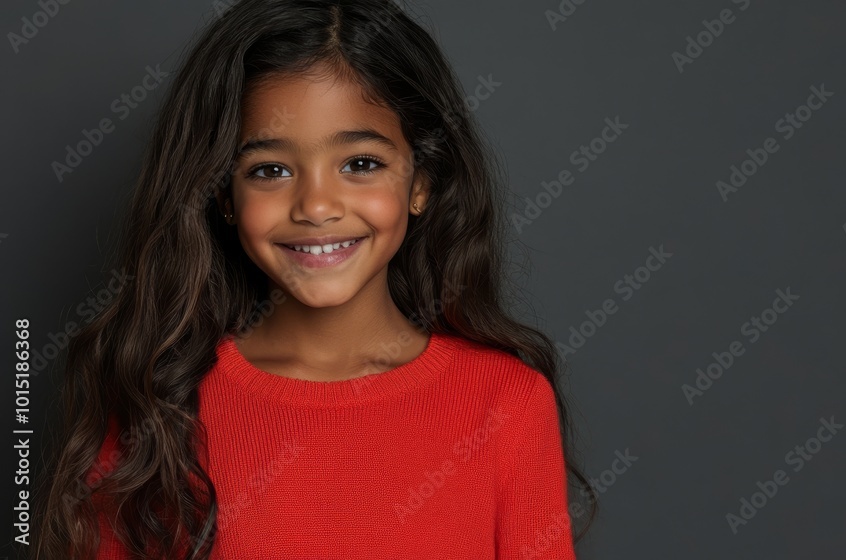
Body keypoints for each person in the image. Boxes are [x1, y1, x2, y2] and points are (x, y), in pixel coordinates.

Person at [32, 0, 598, 558]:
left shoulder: (507, 403)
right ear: (225, 198)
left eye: (360, 163)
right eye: (270, 170)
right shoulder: (155, 405)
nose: (317, 206)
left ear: (421, 182)